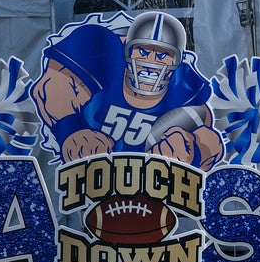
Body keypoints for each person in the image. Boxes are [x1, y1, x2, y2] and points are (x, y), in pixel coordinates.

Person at [33, 10, 222, 167]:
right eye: (143, 51)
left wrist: (193, 150)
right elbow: (52, 84)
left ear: (177, 60)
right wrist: (72, 130)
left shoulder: (183, 83)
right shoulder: (102, 51)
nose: (150, 62)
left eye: (162, 55)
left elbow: (210, 138)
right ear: (126, 49)